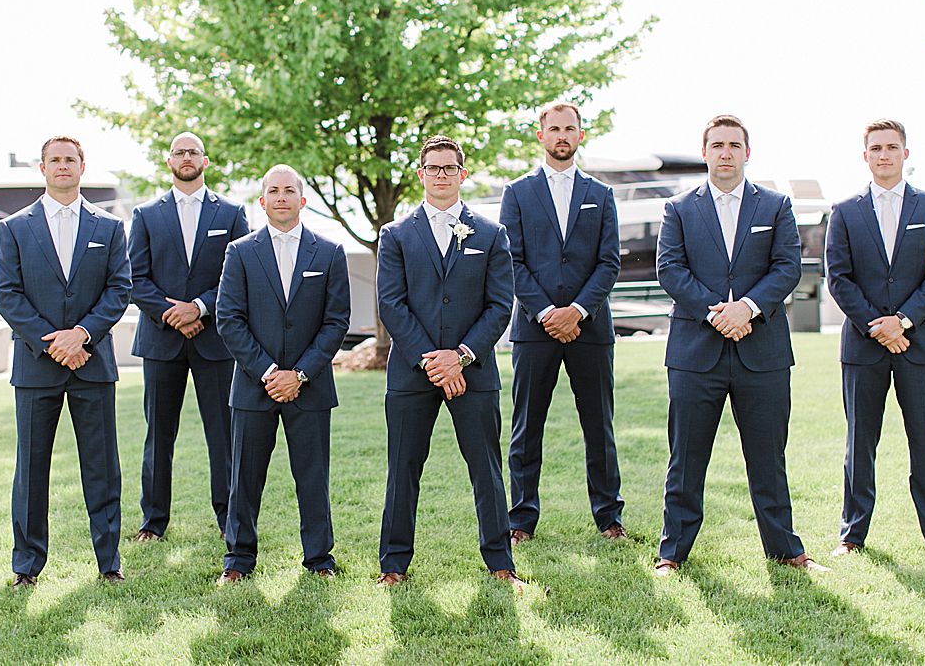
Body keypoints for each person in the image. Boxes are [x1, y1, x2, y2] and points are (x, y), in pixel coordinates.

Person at [653, 115, 826, 576]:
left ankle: (786, 550)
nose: (725, 152)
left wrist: (746, 309)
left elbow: (788, 267)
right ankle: (672, 553)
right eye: (717, 145)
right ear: (705, 151)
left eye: (734, 144)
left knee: (769, 457)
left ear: (748, 153)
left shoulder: (774, 206)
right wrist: (717, 312)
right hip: (695, 352)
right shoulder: (679, 209)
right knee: (686, 458)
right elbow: (670, 269)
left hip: (762, 351)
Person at [375, 135, 524, 590]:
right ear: (420, 175)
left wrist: (459, 356)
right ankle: (393, 566)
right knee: (403, 469)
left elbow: (500, 305)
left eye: (449, 167)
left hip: (472, 371)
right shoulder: (395, 235)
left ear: (463, 174)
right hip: (411, 372)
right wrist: (433, 361)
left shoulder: (491, 234)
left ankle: (501, 563)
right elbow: (391, 304)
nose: (441, 175)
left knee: (486, 469)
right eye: (432, 168)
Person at [0, 136, 131, 586]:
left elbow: (118, 289)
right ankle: (26, 566)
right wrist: (51, 341)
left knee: (102, 467)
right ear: (43, 168)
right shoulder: (14, 228)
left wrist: (82, 335)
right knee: (31, 470)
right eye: (54, 160)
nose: (62, 167)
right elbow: (6, 294)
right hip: (36, 366)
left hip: (92, 364)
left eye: (70, 160)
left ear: (82, 166)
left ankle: (109, 563)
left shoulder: (109, 227)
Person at [825, 119, 925, 558]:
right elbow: (838, 278)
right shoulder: (844, 211)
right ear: (865, 156)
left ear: (906, 153)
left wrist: (903, 320)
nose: (884, 155)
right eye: (876, 148)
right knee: (860, 442)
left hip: (919, 345)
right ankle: (852, 535)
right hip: (864, 346)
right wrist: (876, 326)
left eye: (892, 147)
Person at [215, 165, 350, 582]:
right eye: (272, 191)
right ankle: (238, 560)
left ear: (302, 199)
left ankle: (319, 560)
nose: (281, 197)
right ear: (262, 201)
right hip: (255, 386)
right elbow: (228, 319)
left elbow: (336, 321)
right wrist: (270, 371)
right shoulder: (240, 252)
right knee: (244, 479)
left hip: (309, 388)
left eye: (289, 190)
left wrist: (301, 374)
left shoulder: (329, 253)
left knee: (313, 477)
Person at [500, 101, 624, 545]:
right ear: (541, 135)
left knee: (599, 425)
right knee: (526, 426)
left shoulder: (601, 194)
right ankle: (520, 519)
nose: (562, 136)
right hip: (535, 329)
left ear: (581, 135)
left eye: (570, 129)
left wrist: (578, 310)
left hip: (590, 329)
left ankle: (609, 516)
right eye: (554, 129)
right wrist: (548, 312)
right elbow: (510, 260)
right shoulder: (516, 193)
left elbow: (609, 262)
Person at [128, 131, 249, 542]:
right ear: (169, 161)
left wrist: (198, 308)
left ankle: (228, 518)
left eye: (192, 151)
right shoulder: (146, 215)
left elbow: (238, 277)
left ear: (205, 160)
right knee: (158, 434)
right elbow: (135, 279)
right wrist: (172, 313)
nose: (186, 157)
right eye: (179, 152)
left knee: (224, 435)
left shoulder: (232, 213)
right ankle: (153, 522)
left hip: (215, 339)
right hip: (161, 342)